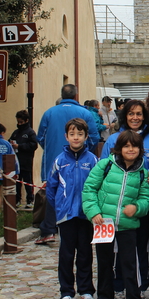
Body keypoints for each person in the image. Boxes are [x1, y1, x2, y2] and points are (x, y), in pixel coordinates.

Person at [82, 130, 149, 299]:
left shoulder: (142, 173)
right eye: (127, 146)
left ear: (140, 149)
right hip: (104, 223)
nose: (131, 149)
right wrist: (94, 212)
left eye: (134, 146)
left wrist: (136, 208)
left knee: (129, 263)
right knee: (104, 262)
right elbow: (89, 189)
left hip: (128, 226)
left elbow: (146, 198)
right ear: (119, 148)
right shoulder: (105, 165)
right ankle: (105, 298)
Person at [101, 99, 149, 299]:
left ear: (144, 116)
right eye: (131, 114)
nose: (135, 117)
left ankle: (140, 286)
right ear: (124, 116)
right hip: (116, 204)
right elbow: (103, 171)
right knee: (118, 248)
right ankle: (118, 285)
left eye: (139, 114)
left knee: (141, 247)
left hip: (142, 202)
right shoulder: (113, 139)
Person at [36, 84, 99, 244]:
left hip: (54, 158)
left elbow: (41, 137)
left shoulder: (49, 113)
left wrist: (50, 148)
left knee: (55, 190)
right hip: (79, 160)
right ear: (76, 96)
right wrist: (84, 153)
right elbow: (94, 136)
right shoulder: (85, 112)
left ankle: (49, 229)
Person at [46, 118, 98, 299]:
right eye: (72, 134)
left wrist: (92, 209)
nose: (76, 138)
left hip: (85, 215)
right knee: (66, 254)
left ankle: (86, 290)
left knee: (85, 254)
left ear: (86, 136)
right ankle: (66, 291)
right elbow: (51, 188)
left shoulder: (92, 160)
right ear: (66, 136)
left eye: (80, 134)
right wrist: (60, 207)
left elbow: (98, 186)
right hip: (66, 216)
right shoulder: (59, 160)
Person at [10, 110, 38, 210]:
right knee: (17, 182)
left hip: (26, 160)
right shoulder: (16, 133)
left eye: (21, 122)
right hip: (16, 162)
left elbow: (34, 145)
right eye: (18, 122)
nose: (19, 124)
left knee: (27, 181)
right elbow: (10, 141)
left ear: (26, 121)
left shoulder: (30, 132)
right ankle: (17, 200)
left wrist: (20, 146)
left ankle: (30, 200)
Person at [0, 123, 15, 209]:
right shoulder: (7, 144)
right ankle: (2, 210)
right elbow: (13, 158)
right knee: (6, 191)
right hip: (6, 172)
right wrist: (16, 171)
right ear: (2, 133)